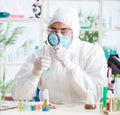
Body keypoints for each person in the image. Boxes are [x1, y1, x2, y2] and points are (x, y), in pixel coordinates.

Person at [11, 7, 107, 104]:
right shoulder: (40, 54)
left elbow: (95, 94)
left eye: (64, 30)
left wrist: (69, 65)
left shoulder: (92, 52)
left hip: (83, 111)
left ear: (74, 31)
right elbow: (18, 95)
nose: (58, 35)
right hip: (50, 110)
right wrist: (34, 73)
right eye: (53, 30)